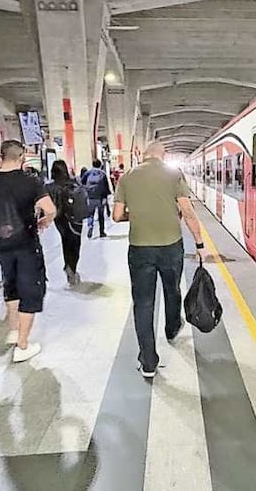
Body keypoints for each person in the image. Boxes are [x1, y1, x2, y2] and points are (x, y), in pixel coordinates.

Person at [113, 141, 206, 379]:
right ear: (162, 156)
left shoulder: (127, 177)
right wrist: (200, 244)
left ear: (143, 155)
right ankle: (172, 327)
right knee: (172, 289)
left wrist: (136, 215)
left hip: (140, 248)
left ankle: (148, 362)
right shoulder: (174, 174)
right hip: (170, 246)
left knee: (143, 303)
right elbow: (187, 212)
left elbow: (116, 216)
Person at [0, 140, 56, 364]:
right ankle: (22, 344)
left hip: (1, 244)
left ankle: (14, 329)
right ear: (21, 157)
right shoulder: (31, 181)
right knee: (30, 289)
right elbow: (50, 209)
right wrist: (43, 221)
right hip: (27, 242)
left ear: (0, 156)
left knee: (10, 284)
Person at [48, 160, 85, 286]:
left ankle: (68, 266)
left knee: (65, 242)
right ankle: (71, 268)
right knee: (75, 243)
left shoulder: (49, 186)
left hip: (59, 219)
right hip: (74, 219)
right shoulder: (73, 184)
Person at [83, 159, 111, 239]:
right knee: (101, 216)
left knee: (90, 214)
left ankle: (90, 226)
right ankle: (101, 232)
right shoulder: (103, 174)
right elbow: (106, 187)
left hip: (90, 197)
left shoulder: (88, 173)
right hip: (100, 198)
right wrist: (106, 197)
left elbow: (82, 182)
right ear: (100, 165)